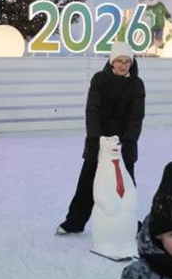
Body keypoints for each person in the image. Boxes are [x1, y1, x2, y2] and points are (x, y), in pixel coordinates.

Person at [57, 42, 146, 235]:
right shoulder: (99, 80)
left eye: (127, 61)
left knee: (125, 186)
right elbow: (92, 111)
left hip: (123, 144)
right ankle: (74, 222)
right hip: (99, 141)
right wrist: (94, 140)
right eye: (119, 61)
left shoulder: (137, 84)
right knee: (88, 182)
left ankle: (129, 223)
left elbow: (136, 117)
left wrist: (129, 142)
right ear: (111, 62)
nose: (123, 65)